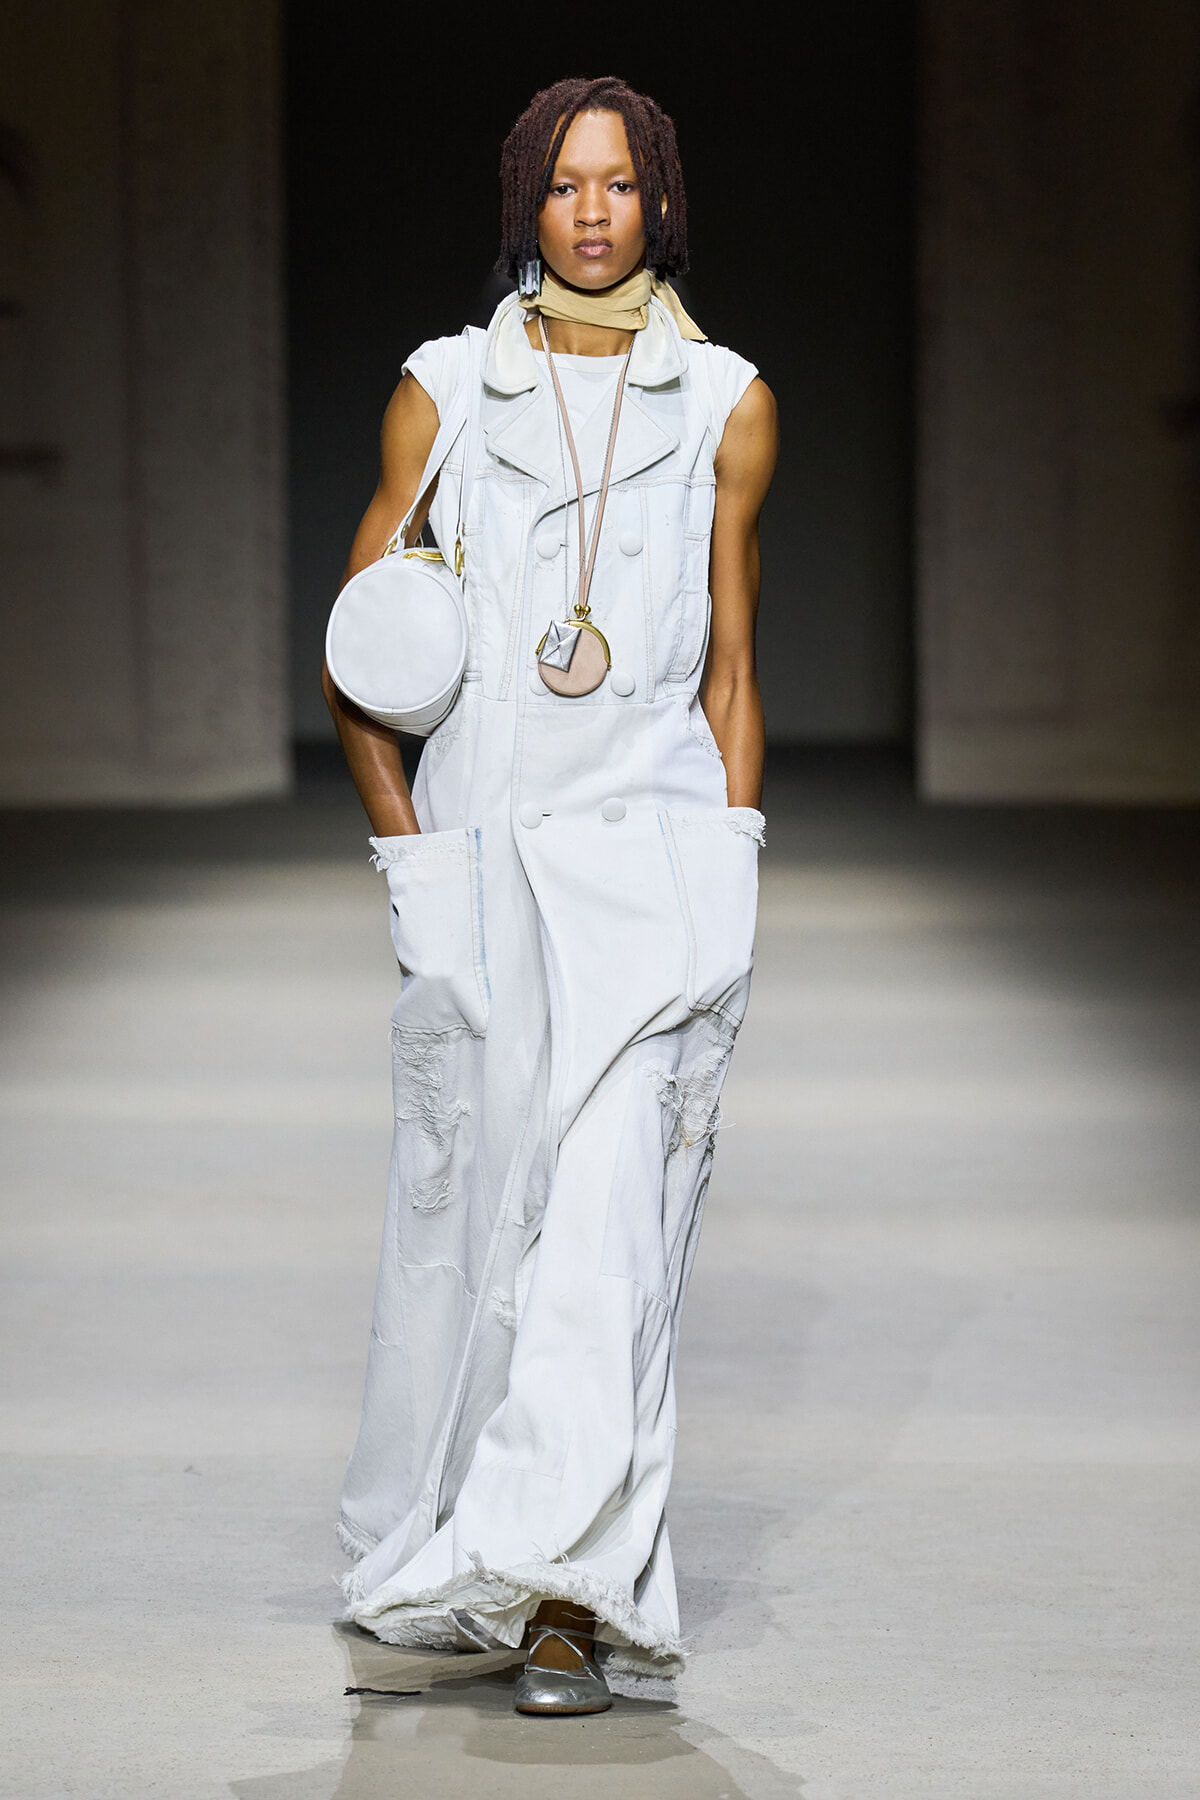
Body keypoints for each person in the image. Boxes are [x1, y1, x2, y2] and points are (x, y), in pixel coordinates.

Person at [323, 75, 777, 1717]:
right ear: (529, 199)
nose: (594, 213)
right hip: (493, 858)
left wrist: (733, 858)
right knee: (475, 1220)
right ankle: (461, 1538)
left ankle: (572, 1601)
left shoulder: (726, 401)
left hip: (653, 860)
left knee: (608, 1231)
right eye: (567, 184)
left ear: (661, 202)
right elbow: (359, 657)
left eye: (622, 184)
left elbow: (733, 667)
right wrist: (414, 864)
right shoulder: (445, 391)